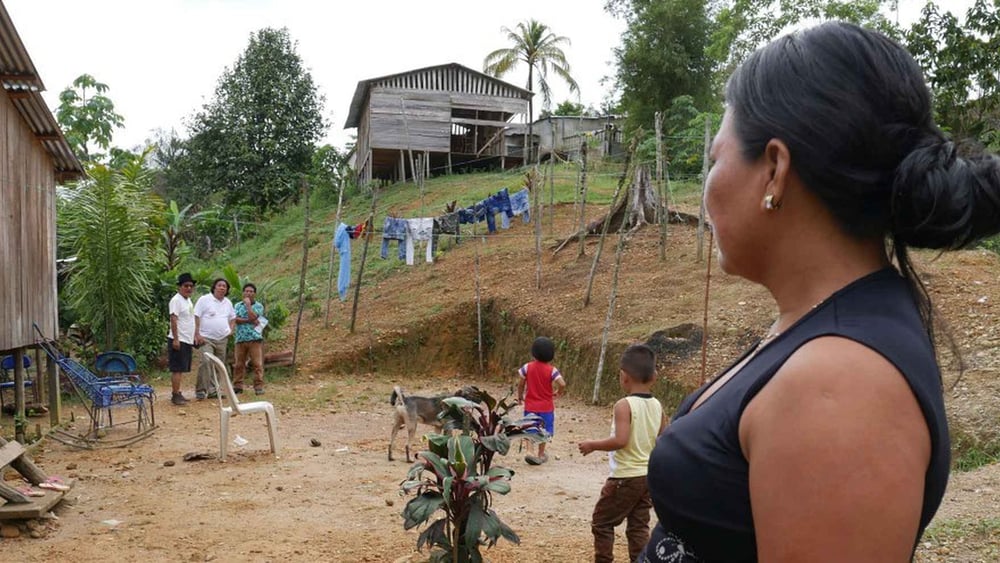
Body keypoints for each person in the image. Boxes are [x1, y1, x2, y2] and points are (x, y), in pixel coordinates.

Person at [641, 22, 1000, 562]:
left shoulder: (839, 383)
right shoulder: (822, 329)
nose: (706, 186)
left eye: (714, 159)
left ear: (775, 170)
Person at [579, 344, 666, 563]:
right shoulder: (658, 406)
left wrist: (593, 445)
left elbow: (621, 440)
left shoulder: (624, 405)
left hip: (625, 477)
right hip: (647, 477)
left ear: (623, 376)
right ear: (654, 376)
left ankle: (604, 559)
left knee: (602, 522)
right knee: (638, 526)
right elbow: (664, 438)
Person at [516, 336, 566, 465]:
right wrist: (558, 392)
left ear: (533, 353)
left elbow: (521, 384)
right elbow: (562, 383)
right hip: (546, 407)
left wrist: (520, 396)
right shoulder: (552, 370)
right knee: (544, 430)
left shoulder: (527, 367)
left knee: (529, 428)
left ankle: (529, 451)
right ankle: (541, 453)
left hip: (530, 405)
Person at [193, 278, 236, 400]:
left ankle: (213, 390)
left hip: (222, 339)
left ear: (227, 290)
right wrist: (197, 334)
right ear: (214, 287)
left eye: (224, 286)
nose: (222, 287)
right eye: (220, 285)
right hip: (206, 338)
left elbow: (233, 317)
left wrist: (231, 330)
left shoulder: (228, 302)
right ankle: (201, 390)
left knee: (218, 365)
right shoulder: (204, 300)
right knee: (206, 362)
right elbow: (196, 316)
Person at [167, 273, 197, 405]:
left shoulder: (188, 300)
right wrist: (176, 339)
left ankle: (178, 392)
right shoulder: (176, 300)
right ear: (180, 287)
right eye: (186, 286)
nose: (189, 288)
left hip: (187, 339)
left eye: (191, 286)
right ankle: (175, 395)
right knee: (177, 368)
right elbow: (173, 319)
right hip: (179, 339)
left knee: (182, 367)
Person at [233, 283, 266, 395]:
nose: (248, 293)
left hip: (254, 338)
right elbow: (234, 319)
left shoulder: (259, 306)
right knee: (239, 364)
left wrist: (248, 306)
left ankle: (258, 386)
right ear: (243, 292)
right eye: (246, 291)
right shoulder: (237, 305)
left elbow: (254, 317)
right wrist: (248, 321)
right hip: (240, 338)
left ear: (254, 294)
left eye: (251, 291)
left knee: (257, 364)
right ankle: (238, 386)